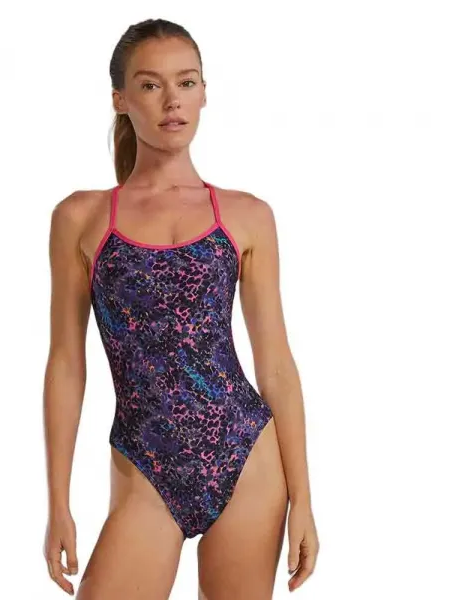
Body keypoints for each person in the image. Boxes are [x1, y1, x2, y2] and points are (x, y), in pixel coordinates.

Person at [43, 18, 319, 599]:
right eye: (150, 85)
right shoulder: (82, 218)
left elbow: (275, 365)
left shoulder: (246, 215)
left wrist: (304, 500)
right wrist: (58, 502)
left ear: (203, 92)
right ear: (120, 99)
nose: (172, 100)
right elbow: (66, 364)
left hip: (246, 455)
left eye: (186, 82)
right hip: (144, 463)